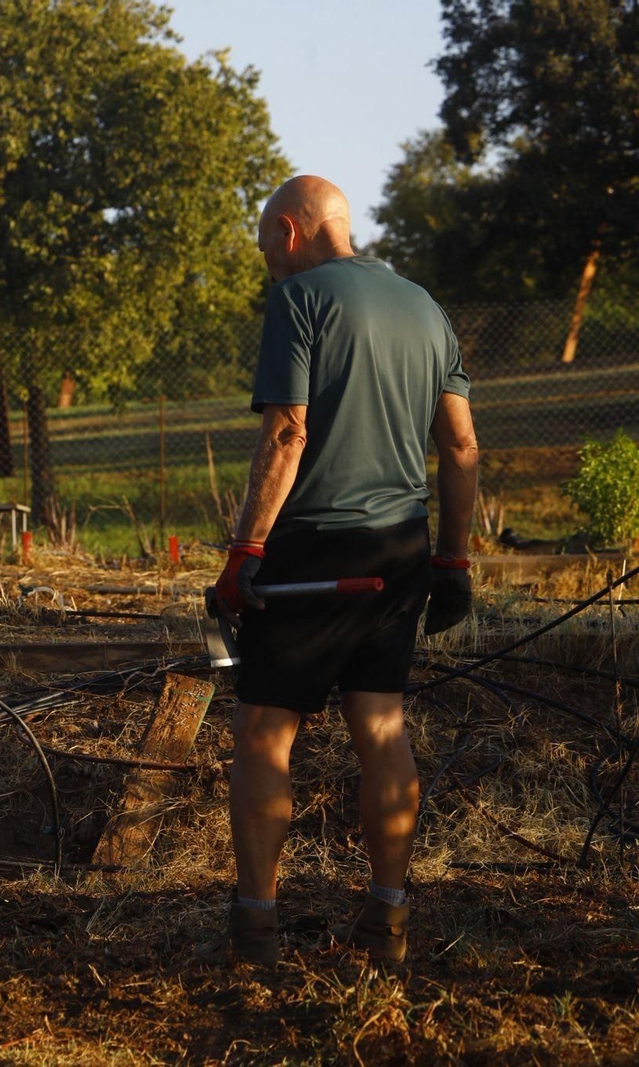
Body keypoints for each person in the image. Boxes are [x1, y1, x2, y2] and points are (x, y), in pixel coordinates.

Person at [210, 175, 479, 964]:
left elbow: (286, 434)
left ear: (289, 232)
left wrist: (244, 553)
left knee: (263, 732)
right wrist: (452, 559)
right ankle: (387, 918)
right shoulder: (424, 307)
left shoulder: (299, 300)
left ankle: (256, 927)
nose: (268, 262)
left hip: (312, 552)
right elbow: (461, 445)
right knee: (381, 726)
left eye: (266, 245)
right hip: (400, 549)